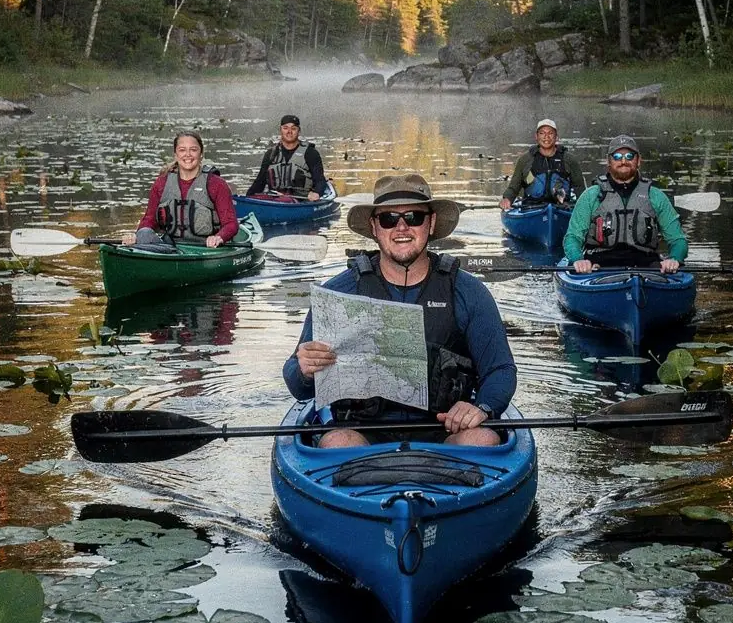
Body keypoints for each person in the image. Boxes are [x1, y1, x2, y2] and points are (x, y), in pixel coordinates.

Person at [283, 172, 517, 448]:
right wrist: (305, 369)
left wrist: (484, 407)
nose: (402, 227)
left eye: (414, 217)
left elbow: (500, 369)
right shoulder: (337, 293)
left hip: (445, 428)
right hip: (361, 431)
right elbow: (298, 386)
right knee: (337, 443)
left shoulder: (468, 291)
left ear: (430, 224)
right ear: (374, 227)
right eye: (389, 219)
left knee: (482, 439)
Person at [563, 135, 688, 273]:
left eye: (629, 156)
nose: (623, 161)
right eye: (617, 156)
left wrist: (675, 258)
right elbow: (573, 237)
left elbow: (677, 239)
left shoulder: (656, 196)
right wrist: (577, 259)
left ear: (638, 160)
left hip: (645, 264)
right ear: (608, 161)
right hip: (598, 264)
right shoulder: (591, 196)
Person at [121, 131, 239, 250]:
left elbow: (231, 224)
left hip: (205, 248)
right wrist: (135, 236)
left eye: (193, 150)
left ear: (201, 154)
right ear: (176, 155)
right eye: (182, 150)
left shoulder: (217, 184)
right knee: (144, 233)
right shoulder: (161, 183)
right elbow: (149, 220)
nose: (188, 154)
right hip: (168, 246)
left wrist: (219, 237)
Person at [500, 119, 586, 211]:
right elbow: (514, 187)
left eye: (550, 133)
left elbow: (579, 187)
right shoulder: (525, 160)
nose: (546, 137)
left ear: (556, 137)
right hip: (531, 207)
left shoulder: (569, 159)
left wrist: (584, 208)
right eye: (542, 133)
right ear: (536, 137)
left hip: (562, 207)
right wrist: (507, 199)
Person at [247, 115, 328, 201]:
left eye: (293, 128)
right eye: (285, 128)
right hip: (275, 199)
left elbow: (320, 180)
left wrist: (317, 193)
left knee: (286, 200)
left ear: (299, 131)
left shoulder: (310, 153)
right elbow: (260, 181)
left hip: (301, 200)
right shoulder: (271, 154)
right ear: (280, 130)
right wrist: (247, 198)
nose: (289, 132)